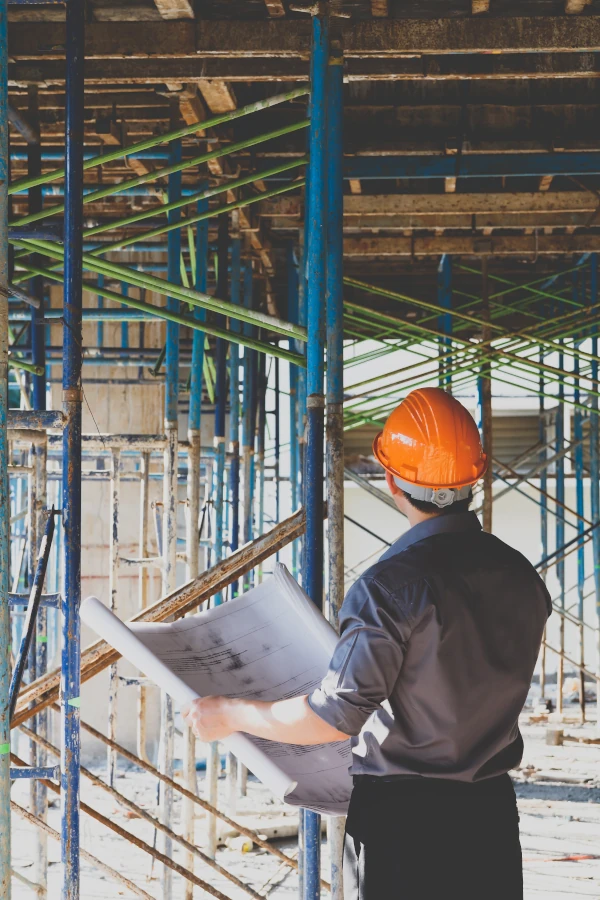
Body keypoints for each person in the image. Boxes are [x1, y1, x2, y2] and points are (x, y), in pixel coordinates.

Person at [183, 387, 550, 900]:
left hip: (407, 827)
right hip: (490, 816)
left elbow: (332, 717)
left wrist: (232, 713)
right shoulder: (521, 577)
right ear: (476, 476)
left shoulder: (388, 588)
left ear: (391, 478)